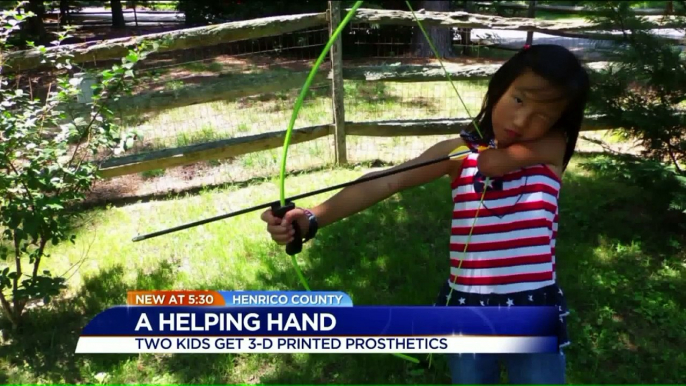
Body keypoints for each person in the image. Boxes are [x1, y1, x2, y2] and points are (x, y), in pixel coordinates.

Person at [261, 44, 590, 384]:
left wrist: (477, 155)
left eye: (543, 116)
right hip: (469, 308)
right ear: (498, 88)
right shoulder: (459, 154)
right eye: (518, 100)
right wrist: (312, 217)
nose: (522, 121)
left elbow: (492, 163)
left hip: (532, 307)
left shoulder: (551, 149)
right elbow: (389, 181)